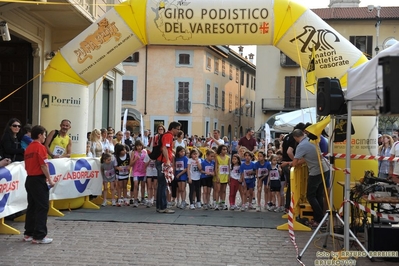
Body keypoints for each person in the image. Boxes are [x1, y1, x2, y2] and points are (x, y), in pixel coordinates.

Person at [23, 125, 55, 244]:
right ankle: (39, 236)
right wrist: (50, 179)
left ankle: (29, 233)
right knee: (42, 207)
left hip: (30, 179)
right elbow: (43, 165)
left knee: (32, 206)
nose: (45, 137)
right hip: (37, 179)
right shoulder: (40, 148)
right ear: (40, 135)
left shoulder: (28, 148)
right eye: (44, 135)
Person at [291, 129, 330, 227]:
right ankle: (319, 220)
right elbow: (306, 158)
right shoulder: (311, 140)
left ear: (295, 138)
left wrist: (289, 165)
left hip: (316, 172)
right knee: (318, 195)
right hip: (325, 169)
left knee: (310, 196)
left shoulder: (301, 146)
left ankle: (320, 218)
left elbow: (295, 162)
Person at [155, 121, 181, 213]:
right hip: (163, 162)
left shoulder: (168, 135)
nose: (178, 131)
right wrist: (168, 160)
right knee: (163, 185)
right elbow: (164, 148)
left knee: (161, 185)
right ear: (173, 128)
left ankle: (159, 206)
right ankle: (163, 207)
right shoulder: (168, 136)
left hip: (161, 161)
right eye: (177, 129)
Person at [130, 140, 148, 207]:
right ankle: (135, 199)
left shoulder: (144, 152)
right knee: (135, 185)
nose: (139, 147)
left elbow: (147, 161)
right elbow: (131, 163)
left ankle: (143, 198)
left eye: (140, 146)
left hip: (143, 171)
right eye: (137, 146)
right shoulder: (134, 153)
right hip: (136, 172)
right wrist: (135, 159)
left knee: (143, 185)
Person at [215, 144, 229, 210]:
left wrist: (229, 176)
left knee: (223, 190)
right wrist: (217, 176)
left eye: (226, 149)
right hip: (219, 175)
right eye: (223, 149)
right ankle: (217, 203)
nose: (225, 151)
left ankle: (223, 202)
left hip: (225, 175)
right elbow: (216, 167)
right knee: (218, 190)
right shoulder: (217, 157)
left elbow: (228, 167)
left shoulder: (228, 158)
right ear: (220, 150)